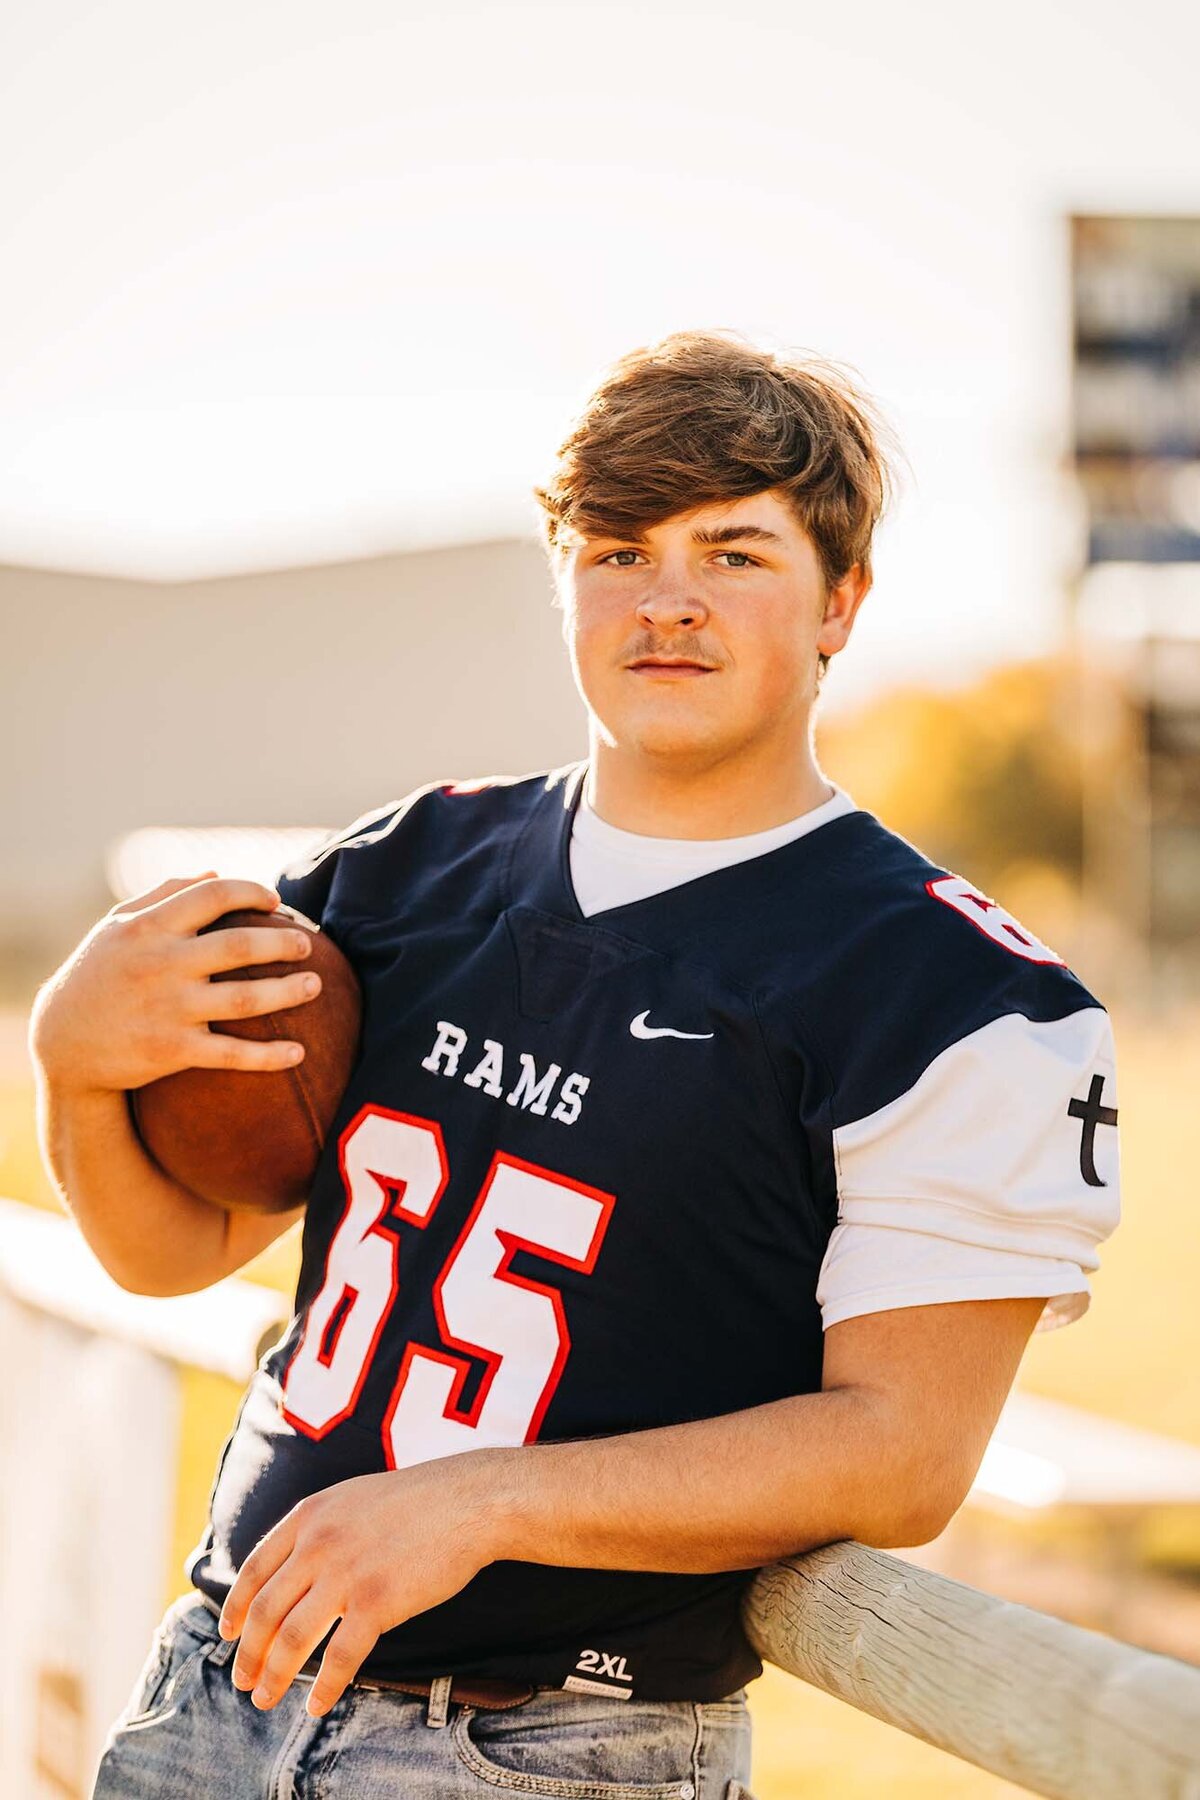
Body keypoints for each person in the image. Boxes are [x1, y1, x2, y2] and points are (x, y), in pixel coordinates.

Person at [30, 329, 1121, 1800]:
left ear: (841, 602)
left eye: (733, 553)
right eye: (619, 550)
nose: (666, 602)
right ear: (565, 579)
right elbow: (179, 1251)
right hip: (220, 1683)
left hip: (550, 1746)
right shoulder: (406, 861)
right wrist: (72, 1063)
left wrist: (477, 1506)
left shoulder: (955, 991)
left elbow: (902, 1456)